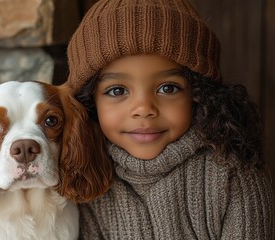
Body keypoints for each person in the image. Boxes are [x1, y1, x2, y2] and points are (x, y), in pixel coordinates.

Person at [65, 0, 274, 239]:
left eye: (168, 88)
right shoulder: (88, 180)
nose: (144, 109)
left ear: (200, 94)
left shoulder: (233, 177)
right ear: (89, 101)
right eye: (117, 91)